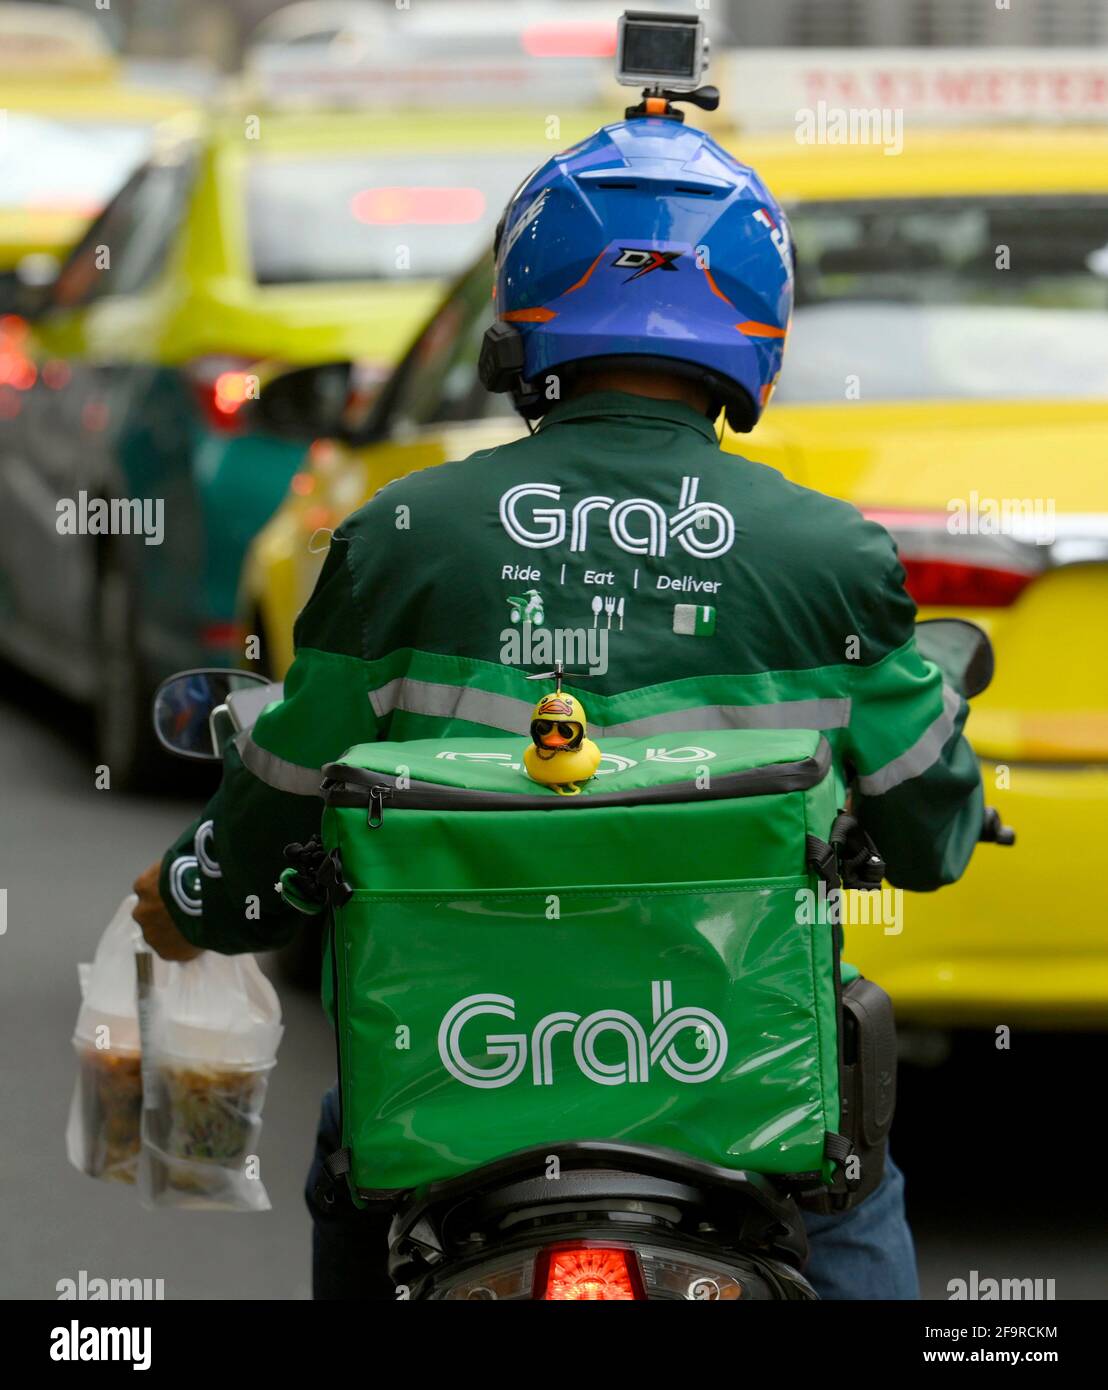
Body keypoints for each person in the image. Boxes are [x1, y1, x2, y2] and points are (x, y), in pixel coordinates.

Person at [133, 116, 983, 1300]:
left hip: (453, 1112)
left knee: (355, 1156)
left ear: (520, 310)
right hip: (741, 1119)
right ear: (756, 326)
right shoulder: (826, 550)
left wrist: (189, 898)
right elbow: (930, 836)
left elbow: (278, 808)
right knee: (846, 1176)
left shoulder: (404, 532)